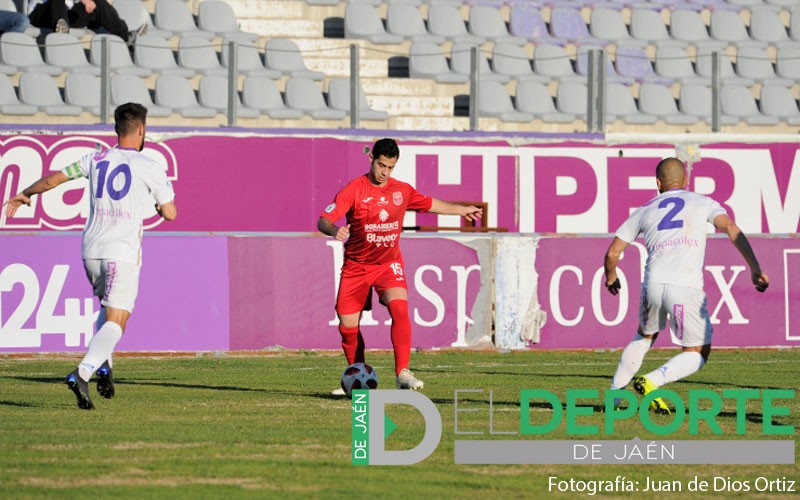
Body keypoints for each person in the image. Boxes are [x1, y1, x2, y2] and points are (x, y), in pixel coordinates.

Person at [3, 102, 176, 410]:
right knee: (118, 319)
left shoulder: (95, 159)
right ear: (141, 129)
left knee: (107, 308)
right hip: (121, 252)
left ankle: (105, 367)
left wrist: (26, 193)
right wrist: (159, 206)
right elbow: (172, 213)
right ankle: (82, 373)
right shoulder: (149, 166)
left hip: (90, 250)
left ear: (116, 129)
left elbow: (55, 178)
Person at [603, 157, 768, 414]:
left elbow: (612, 254)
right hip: (686, 285)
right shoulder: (703, 202)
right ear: (686, 181)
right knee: (697, 351)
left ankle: (612, 400)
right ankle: (652, 381)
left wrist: (611, 277)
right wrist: (755, 267)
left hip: (653, 283)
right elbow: (731, 228)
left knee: (643, 336)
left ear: (658, 183)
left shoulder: (645, 208)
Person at [318, 138, 483, 392]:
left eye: (390, 168)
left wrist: (461, 210)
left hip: (388, 264)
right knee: (348, 326)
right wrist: (335, 230)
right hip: (356, 267)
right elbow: (324, 220)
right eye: (381, 165)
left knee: (400, 307)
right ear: (371, 158)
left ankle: (402, 373)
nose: (384, 173)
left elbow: (431, 204)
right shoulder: (353, 190)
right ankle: (357, 376)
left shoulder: (401, 191)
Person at [27, 0, 146, 43]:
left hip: (65, 16)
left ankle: (126, 36)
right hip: (41, 13)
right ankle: (62, 37)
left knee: (97, 3)